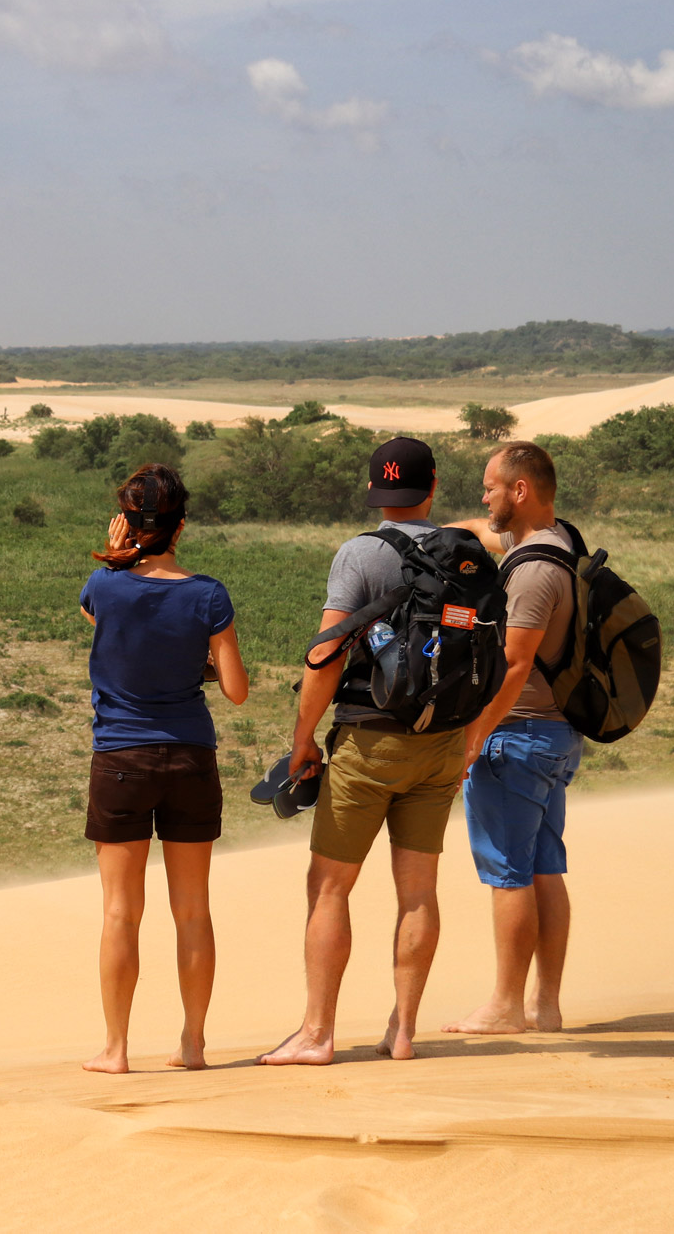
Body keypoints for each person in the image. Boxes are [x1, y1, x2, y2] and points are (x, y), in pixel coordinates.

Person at [259, 436, 462, 1066]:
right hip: (444, 741)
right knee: (419, 892)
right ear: (432, 488)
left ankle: (318, 1033)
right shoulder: (467, 553)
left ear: (376, 493)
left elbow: (325, 655)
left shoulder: (360, 553)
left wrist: (301, 742)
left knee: (329, 887)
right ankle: (402, 1032)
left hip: (371, 742)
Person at [79, 463, 249, 1074]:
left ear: (128, 522)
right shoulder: (209, 594)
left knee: (122, 912)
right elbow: (234, 691)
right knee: (193, 910)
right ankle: (194, 1044)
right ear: (182, 525)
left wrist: (121, 557)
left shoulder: (103, 586)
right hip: (188, 756)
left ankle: (117, 1050)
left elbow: (104, 623)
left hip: (120, 758)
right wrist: (199, 661)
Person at [441, 441, 581, 1036]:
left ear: (520, 491)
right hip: (554, 735)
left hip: (515, 739)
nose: (484, 495)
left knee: (508, 875)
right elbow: (482, 528)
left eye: (492, 486)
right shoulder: (560, 542)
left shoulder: (530, 574)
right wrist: (431, 531)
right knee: (544, 867)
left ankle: (504, 1005)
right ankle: (544, 1006)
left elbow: (515, 663)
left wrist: (475, 735)